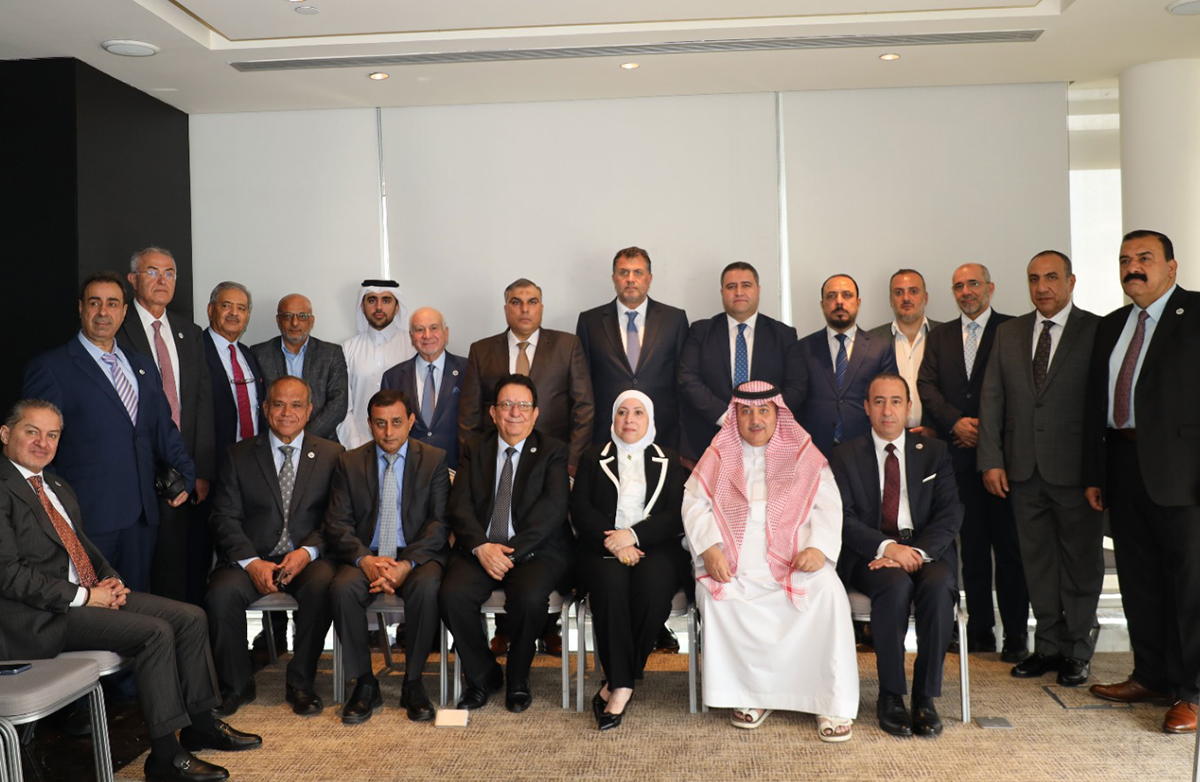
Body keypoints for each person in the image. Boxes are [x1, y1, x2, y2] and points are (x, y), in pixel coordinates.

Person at [0, 399, 260, 782]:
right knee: (155, 633)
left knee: (190, 617)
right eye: (32, 432)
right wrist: (86, 597)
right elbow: (8, 574)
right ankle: (166, 757)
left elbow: (81, 547)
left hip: (83, 597)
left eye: (52, 435)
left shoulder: (54, 484)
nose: (43, 442)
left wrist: (110, 581)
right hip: (36, 618)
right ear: (6, 433)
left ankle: (201, 723)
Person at [682, 380, 858, 740]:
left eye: (764, 410)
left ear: (779, 414)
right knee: (719, 597)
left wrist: (818, 549)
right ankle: (752, 696)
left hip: (794, 561)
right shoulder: (718, 454)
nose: (755, 419)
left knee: (828, 592)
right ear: (735, 416)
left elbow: (828, 507)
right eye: (746, 412)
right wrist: (709, 549)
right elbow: (694, 504)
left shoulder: (805, 455)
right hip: (734, 564)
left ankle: (829, 701)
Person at [1083, 230, 1200, 734]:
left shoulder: (1196, 314)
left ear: (1172, 267)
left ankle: (1192, 691)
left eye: (1145, 258)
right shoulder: (1112, 325)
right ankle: (1151, 676)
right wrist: (1095, 472)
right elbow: (1095, 406)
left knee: (1190, 586)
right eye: (1125, 259)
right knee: (1139, 579)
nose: (1133, 267)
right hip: (1123, 465)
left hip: (1184, 473)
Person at [22, 272, 195, 593]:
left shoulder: (143, 366)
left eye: (112, 304)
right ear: (81, 308)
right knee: (95, 610)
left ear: (124, 311)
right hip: (87, 518)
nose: (103, 312)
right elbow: (34, 448)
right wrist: (55, 509)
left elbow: (162, 427)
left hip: (141, 516)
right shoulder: (52, 368)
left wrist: (186, 473)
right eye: (95, 303)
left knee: (137, 604)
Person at [978, 251, 1102, 687]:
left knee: (1081, 564)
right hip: (1022, 469)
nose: (1042, 287)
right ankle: (1047, 646)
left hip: (1077, 473)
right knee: (1037, 563)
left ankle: (1078, 650)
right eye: (1034, 279)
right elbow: (992, 398)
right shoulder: (1009, 332)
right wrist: (991, 459)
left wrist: (1099, 472)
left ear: (1071, 281)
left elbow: (1102, 405)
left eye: (1051, 277)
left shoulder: (1097, 330)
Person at [831, 373, 963, 737]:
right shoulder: (844, 455)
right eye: (878, 401)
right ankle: (890, 695)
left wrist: (914, 552)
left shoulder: (934, 452)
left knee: (938, 587)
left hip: (925, 550)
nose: (887, 411)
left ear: (908, 407)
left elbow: (950, 513)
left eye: (895, 402)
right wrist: (888, 548)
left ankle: (925, 696)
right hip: (871, 554)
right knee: (894, 585)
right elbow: (843, 517)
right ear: (866, 408)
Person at [205, 376, 342, 717]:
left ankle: (301, 684)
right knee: (220, 594)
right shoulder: (238, 455)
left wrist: (307, 552)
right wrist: (252, 562)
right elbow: (224, 517)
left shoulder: (333, 455)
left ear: (309, 411)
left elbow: (337, 518)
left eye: (296, 405)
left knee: (323, 585)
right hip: (252, 557)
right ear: (265, 409)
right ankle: (237, 684)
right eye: (279, 404)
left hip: (306, 559)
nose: (287, 413)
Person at [441, 374, 574, 713]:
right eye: (507, 405)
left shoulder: (553, 451)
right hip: (481, 548)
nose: (515, 412)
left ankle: (518, 678)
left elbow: (552, 512)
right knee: (452, 595)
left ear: (535, 413)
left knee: (529, 598)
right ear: (493, 412)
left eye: (523, 405)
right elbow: (459, 505)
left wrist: (509, 553)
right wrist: (481, 547)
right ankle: (483, 676)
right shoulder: (475, 448)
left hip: (535, 551)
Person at [918, 263, 1029, 661]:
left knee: (1011, 550)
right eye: (958, 286)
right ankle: (981, 631)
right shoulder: (940, 336)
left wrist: (986, 429)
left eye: (973, 284)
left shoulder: (1013, 329)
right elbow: (926, 385)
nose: (966, 291)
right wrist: (955, 422)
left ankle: (1016, 634)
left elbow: (1022, 386)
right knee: (973, 550)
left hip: (1002, 458)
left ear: (990, 288)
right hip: (958, 459)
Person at [324, 388, 452, 724]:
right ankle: (365, 683)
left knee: (427, 587)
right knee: (342, 588)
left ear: (411, 421)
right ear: (369, 424)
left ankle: (413, 682)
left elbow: (440, 523)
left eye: (396, 422)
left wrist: (406, 564)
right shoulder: (349, 462)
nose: (389, 432)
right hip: (366, 555)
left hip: (416, 556)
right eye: (380, 423)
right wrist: (366, 561)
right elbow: (338, 523)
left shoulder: (435, 460)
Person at [571, 390, 689, 730]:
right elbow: (581, 509)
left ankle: (616, 679)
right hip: (602, 547)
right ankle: (622, 686)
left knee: (653, 592)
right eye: (622, 412)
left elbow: (675, 515)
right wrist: (614, 541)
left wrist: (633, 536)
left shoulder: (669, 459)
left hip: (655, 547)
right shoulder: (593, 457)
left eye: (638, 412)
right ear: (613, 418)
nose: (629, 419)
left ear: (649, 419)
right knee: (609, 589)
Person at [117, 246, 216, 605]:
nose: (162, 280)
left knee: (176, 568)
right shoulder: (118, 328)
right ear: (133, 280)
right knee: (136, 571)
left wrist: (199, 469)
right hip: (135, 469)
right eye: (152, 272)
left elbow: (201, 402)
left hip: (181, 470)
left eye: (169, 273)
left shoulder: (189, 332)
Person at [459, 278, 594, 473]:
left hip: (554, 459)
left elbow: (583, 408)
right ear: (506, 308)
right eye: (516, 302)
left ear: (541, 308)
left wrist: (573, 460)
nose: (524, 309)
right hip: (495, 460)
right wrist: (472, 461)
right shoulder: (481, 351)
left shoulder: (567, 346)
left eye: (532, 302)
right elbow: (468, 416)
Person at [678, 261, 803, 463]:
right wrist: (726, 416)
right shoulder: (701, 331)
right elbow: (687, 379)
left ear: (758, 290)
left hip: (769, 444)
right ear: (722, 293)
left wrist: (762, 418)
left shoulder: (783, 335)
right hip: (707, 441)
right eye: (731, 286)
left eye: (746, 285)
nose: (738, 292)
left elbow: (797, 386)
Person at [575, 246, 689, 449]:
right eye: (623, 272)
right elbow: (583, 386)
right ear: (614, 278)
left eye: (638, 272)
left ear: (649, 278)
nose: (630, 279)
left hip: (663, 433)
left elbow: (683, 382)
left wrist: (684, 444)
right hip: (605, 434)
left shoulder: (674, 319)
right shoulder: (590, 322)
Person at [792, 274, 897, 458]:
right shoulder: (803, 348)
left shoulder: (880, 348)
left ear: (858, 302)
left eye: (846, 295)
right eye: (831, 296)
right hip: (814, 451)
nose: (839, 302)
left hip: (865, 449)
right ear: (822, 304)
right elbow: (795, 399)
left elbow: (889, 399)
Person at [252, 294, 348, 442]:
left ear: (312, 320)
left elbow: (338, 404)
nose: (295, 323)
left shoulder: (331, 353)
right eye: (287, 316)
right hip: (272, 443)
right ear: (278, 320)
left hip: (320, 442)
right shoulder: (259, 353)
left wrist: (302, 439)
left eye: (302, 316)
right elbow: (258, 403)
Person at [380, 307, 466, 469]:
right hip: (409, 469)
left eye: (434, 328)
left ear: (446, 332)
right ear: (411, 336)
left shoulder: (468, 370)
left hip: (456, 467)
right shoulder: (393, 377)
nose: (427, 335)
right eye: (420, 330)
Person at [338, 280, 414, 449]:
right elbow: (343, 406)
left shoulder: (412, 346)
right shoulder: (347, 349)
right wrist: (355, 445)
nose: (378, 307)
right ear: (362, 307)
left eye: (386, 300)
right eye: (372, 300)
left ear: (397, 307)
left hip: (406, 447)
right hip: (359, 446)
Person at [868, 268, 941, 436]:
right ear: (891, 300)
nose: (906, 298)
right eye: (899, 292)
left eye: (913, 291)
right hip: (887, 438)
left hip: (936, 438)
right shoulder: (872, 340)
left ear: (926, 297)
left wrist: (938, 430)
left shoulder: (945, 335)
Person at [203, 282, 265, 474]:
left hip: (253, 460)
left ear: (247, 316)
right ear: (211, 310)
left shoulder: (248, 355)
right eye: (226, 305)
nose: (234, 313)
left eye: (241, 308)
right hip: (214, 464)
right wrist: (201, 471)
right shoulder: (195, 350)